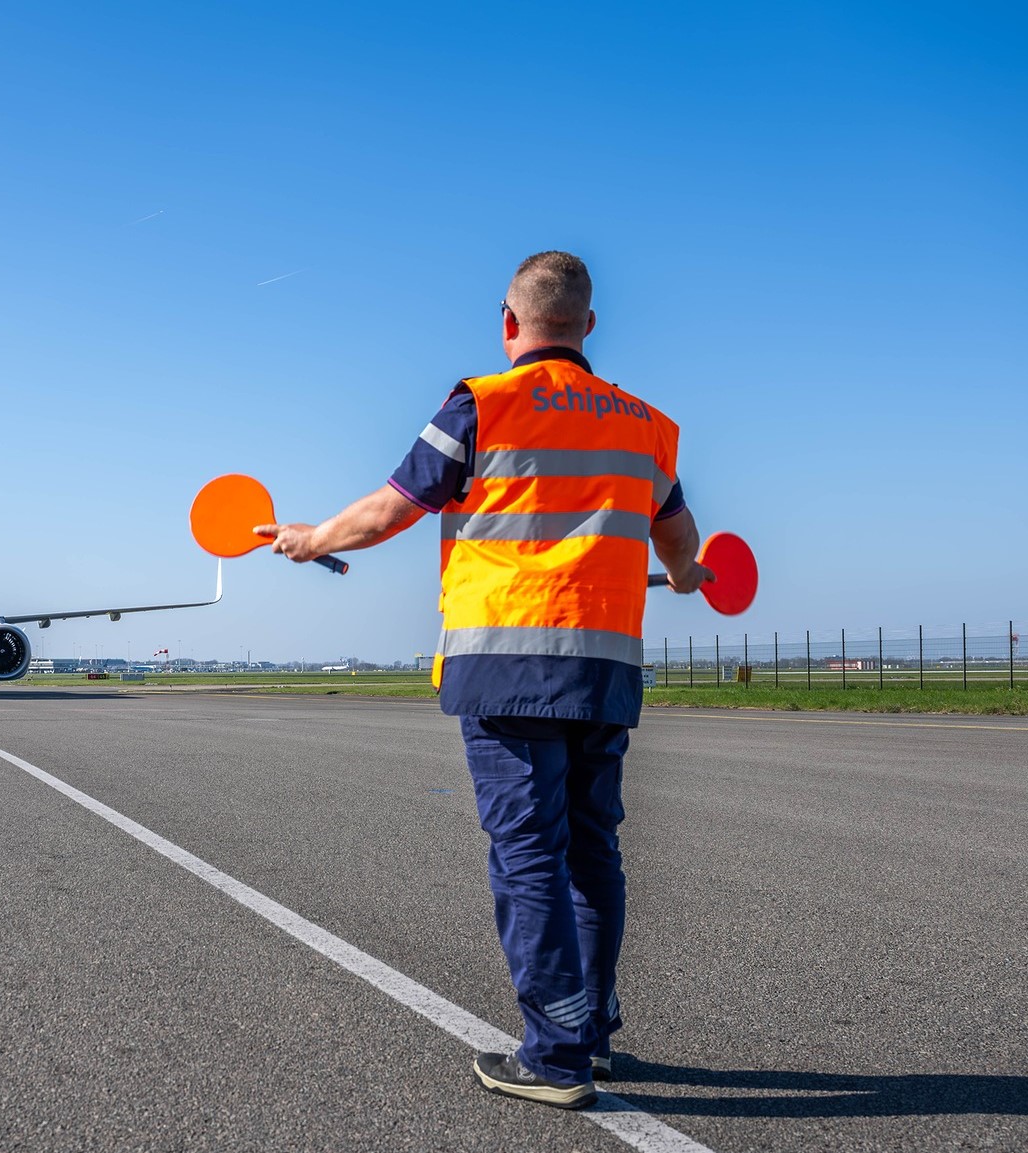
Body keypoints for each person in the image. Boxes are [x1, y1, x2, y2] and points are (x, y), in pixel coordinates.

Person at [258, 251, 710, 1110]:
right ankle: (593, 1032)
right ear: (589, 327)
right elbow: (682, 548)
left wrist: (312, 539)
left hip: (507, 664)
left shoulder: (481, 403)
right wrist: (685, 577)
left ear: (510, 323)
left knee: (528, 851)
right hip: (604, 668)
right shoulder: (649, 427)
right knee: (592, 848)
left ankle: (555, 1053)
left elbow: (393, 507)